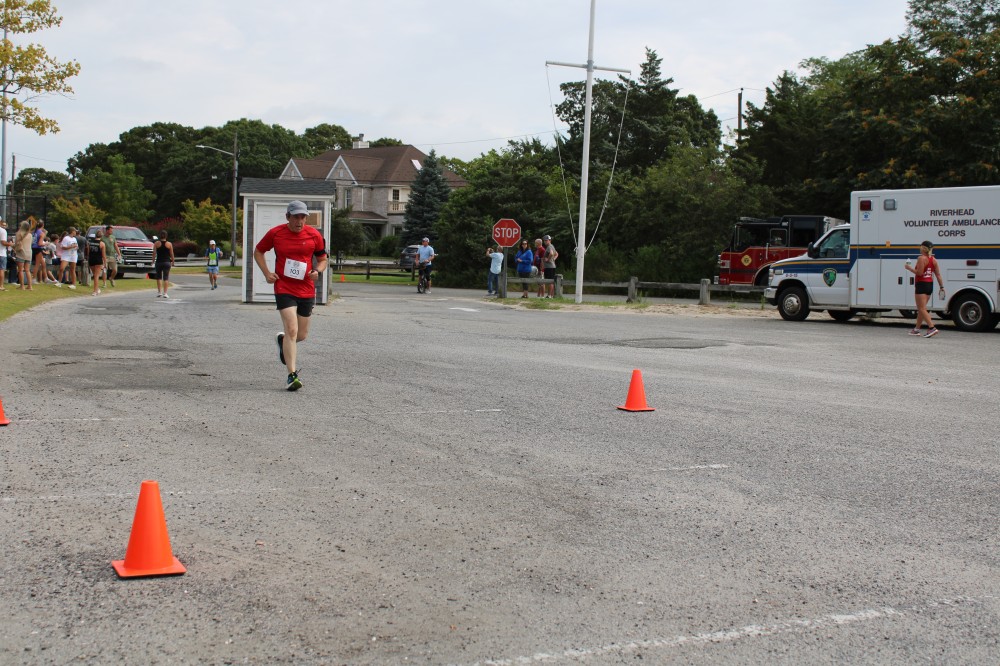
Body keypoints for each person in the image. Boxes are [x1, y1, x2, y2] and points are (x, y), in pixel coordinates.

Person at [253, 200, 328, 391]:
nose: (299, 221)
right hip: (284, 287)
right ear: (288, 217)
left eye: (303, 217)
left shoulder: (314, 235)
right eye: (296, 217)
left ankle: (282, 341)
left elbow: (323, 259)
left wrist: (317, 271)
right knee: (292, 330)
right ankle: (292, 376)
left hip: (306, 289)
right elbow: (258, 251)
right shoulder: (276, 233)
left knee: (301, 335)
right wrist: (267, 273)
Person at [905, 239, 945, 338]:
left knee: (922, 308)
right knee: (922, 309)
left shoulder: (921, 258)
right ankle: (916, 329)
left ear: (923, 248)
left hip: (921, 284)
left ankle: (932, 328)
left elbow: (919, 273)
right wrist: (941, 287)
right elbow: (938, 275)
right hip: (929, 285)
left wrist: (909, 268)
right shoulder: (933, 260)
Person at [154, 231, 175, 298]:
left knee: (159, 277)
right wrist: (173, 261)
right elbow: (171, 253)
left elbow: (154, 253)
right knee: (166, 277)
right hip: (166, 262)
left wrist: (152, 261)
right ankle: (165, 293)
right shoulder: (169, 244)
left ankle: (159, 292)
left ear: (160, 236)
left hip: (159, 262)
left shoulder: (156, 243)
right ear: (166, 236)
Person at [87, 228, 107, 296]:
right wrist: (105, 262)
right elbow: (103, 255)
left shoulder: (90, 243)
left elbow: (88, 252)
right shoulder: (102, 244)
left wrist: (88, 259)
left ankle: (97, 289)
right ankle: (95, 291)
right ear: (101, 236)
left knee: (95, 275)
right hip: (98, 260)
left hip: (91, 260)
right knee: (96, 276)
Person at [13, 220, 33, 289]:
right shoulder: (30, 235)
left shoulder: (19, 234)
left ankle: (22, 286)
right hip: (29, 253)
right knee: (27, 270)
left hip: (21, 253)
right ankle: (30, 286)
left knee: (20, 270)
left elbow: (16, 244)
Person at [31, 218, 47, 283]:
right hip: (38, 249)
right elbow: (40, 244)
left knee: (43, 264)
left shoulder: (33, 232)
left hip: (33, 248)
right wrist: (46, 243)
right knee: (37, 265)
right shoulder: (41, 233)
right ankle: (34, 278)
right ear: (43, 225)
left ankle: (45, 278)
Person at [542, 234, 559, 298]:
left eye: (547, 240)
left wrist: (548, 260)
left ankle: (549, 295)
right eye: (544, 240)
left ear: (550, 240)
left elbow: (551, 253)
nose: (545, 241)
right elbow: (556, 254)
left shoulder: (549, 246)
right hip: (551, 266)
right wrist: (553, 259)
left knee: (550, 281)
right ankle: (551, 295)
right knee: (551, 281)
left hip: (549, 267)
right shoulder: (552, 246)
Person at [0, 218, 9, 291]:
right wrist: (11, 244)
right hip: (1, 253)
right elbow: (3, 242)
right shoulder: (3, 231)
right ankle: (1, 285)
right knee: (1, 269)